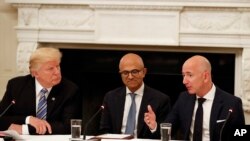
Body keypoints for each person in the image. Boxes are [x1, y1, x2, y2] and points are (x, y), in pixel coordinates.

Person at [144, 55, 245, 141]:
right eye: (183, 75)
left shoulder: (232, 103)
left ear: (205, 76)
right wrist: (154, 125)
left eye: (189, 75)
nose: (184, 81)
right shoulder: (183, 99)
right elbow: (169, 127)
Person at [0, 47, 82, 135]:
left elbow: (68, 127)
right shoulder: (16, 86)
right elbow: (1, 117)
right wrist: (28, 119)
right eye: (50, 69)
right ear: (35, 73)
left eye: (58, 66)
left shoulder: (70, 90)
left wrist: (25, 129)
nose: (57, 72)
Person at [99, 53, 171, 139]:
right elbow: (104, 130)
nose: (130, 77)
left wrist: (154, 126)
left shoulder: (161, 100)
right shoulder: (110, 97)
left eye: (134, 72)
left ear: (144, 72)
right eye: (125, 72)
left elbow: (165, 136)